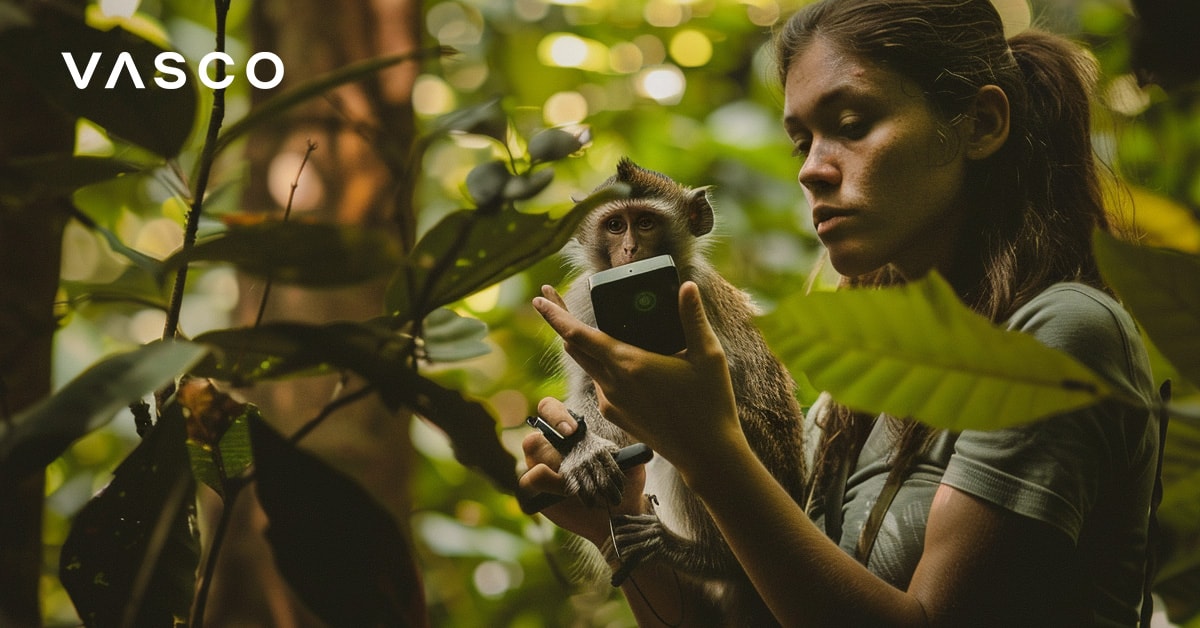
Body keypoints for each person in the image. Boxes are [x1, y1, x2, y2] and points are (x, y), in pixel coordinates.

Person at [519, 0, 1161, 625]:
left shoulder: (1058, 337)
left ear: (981, 123)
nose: (812, 172)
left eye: (852, 125)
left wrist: (709, 452)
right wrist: (612, 522)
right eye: (802, 141)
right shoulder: (858, 390)